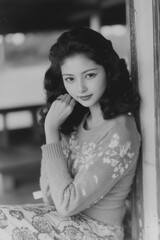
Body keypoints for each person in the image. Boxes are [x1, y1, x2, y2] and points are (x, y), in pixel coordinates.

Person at [0, 27, 141, 240]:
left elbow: (66, 204)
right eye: (70, 79)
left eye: (90, 75)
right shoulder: (77, 121)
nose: (81, 88)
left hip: (98, 231)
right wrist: (57, 131)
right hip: (67, 224)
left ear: (109, 71)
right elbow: (49, 194)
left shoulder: (120, 130)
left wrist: (50, 131)